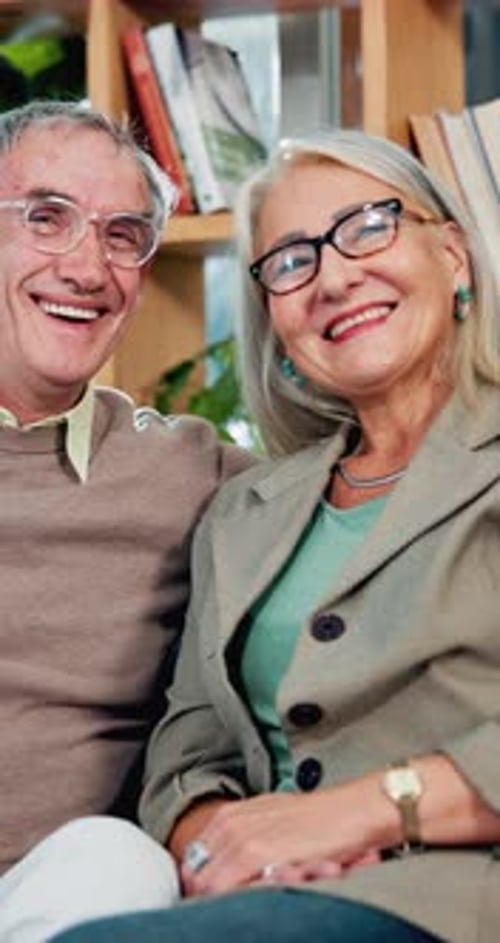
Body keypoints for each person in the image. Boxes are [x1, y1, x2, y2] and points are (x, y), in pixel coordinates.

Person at [53, 126, 500, 943]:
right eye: (291, 261)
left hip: (460, 898)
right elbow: (187, 756)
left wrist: (358, 815)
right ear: (277, 326)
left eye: (369, 226)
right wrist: (234, 847)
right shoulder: (244, 508)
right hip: (262, 899)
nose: (332, 276)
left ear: (455, 258)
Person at [0, 99, 255, 942]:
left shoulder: (190, 471)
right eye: (47, 217)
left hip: (54, 896)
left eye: (123, 235)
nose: (87, 266)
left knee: (119, 858)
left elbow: (388, 481)